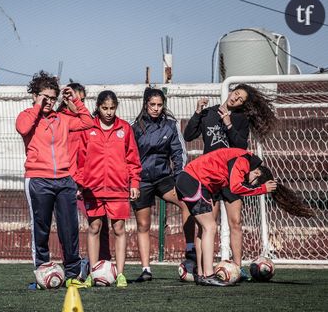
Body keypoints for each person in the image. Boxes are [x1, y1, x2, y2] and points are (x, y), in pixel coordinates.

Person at [175, 147, 314, 286]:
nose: (249, 184)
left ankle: (201, 274)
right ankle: (209, 275)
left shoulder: (243, 159)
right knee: (210, 227)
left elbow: (221, 178)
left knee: (203, 229)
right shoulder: (243, 160)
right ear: (257, 172)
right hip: (193, 180)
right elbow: (236, 187)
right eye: (254, 182)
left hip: (191, 180)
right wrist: (262, 189)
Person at [183, 84, 277, 278]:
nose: (236, 99)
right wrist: (197, 112)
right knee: (207, 225)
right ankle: (202, 271)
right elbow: (188, 135)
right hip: (211, 177)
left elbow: (241, 145)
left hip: (233, 176)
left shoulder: (240, 119)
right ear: (230, 91)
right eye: (236, 94)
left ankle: (237, 268)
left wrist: (228, 123)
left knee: (236, 222)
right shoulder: (208, 113)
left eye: (241, 99)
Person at [16, 71, 94, 288]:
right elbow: (23, 128)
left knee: (69, 229)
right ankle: (41, 272)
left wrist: (74, 100)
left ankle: (72, 274)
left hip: (64, 180)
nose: (49, 102)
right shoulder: (26, 115)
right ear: (35, 95)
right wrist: (37, 107)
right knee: (40, 228)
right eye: (45, 97)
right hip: (37, 180)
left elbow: (88, 122)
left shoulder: (63, 119)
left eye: (53, 98)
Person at [76, 90, 141, 288]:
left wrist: (135, 183)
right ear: (98, 107)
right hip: (93, 189)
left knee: (119, 228)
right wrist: (81, 184)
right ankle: (92, 273)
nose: (109, 112)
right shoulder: (88, 129)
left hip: (118, 189)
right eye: (105, 108)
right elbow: (80, 159)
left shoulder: (125, 129)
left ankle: (120, 274)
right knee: (94, 227)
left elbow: (133, 159)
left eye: (112, 108)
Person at [131, 88, 193, 282]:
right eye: (152, 105)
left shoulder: (171, 126)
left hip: (164, 178)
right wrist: (132, 181)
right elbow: (129, 156)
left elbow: (178, 153)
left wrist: (179, 176)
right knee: (143, 224)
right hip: (142, 180)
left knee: (188, 203)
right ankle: (146, 269)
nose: (156, 109)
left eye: (159, 105)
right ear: (146, 104)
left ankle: (191, 252)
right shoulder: (135, 128)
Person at [57, 83, 111, 276]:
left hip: (90, 182)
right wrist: (75, 181)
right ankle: (73, 266)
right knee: (69, 227)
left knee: (99, 222)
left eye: (82, 100)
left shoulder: (87, 122)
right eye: (75, 99)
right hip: (70, 181)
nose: (79, 103)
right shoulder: (61, 120)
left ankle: (101, 265)